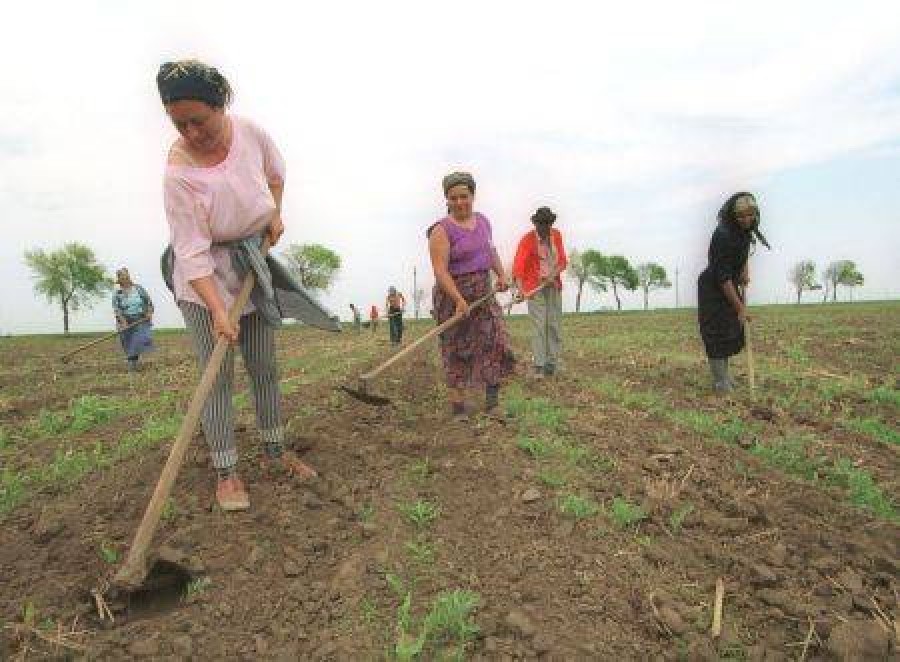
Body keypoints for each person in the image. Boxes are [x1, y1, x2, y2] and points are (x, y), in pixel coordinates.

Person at [158, 59, 316, 512]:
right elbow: (190, 252)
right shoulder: (178, 173)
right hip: (202, 278)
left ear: (219, 106)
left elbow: (276, 174)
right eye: (179, 122)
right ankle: (227, 472)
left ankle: (275, 449)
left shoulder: (249, 133)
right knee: (217, 378)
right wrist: (217, 309)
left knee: (263, 365)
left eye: (199, 120)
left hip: (251, 264)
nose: (191, 131)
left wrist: (275, 214)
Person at [427, 171, 514, 421]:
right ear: (447, 200)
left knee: (496, 340)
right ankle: (458, 409)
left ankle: (492, 404)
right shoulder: (441, 231)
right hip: (452, 295)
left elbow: (490, 250)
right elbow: (440, 271)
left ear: (473, 196)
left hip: (483, 292)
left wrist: (500, 274)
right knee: (457, 348)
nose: (459, 202)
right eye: (453, 198)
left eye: (463, 196)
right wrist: (458, 300)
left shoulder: (483, 221)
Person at [697, 192, 770, 393]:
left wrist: (745, 271)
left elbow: (743, 254)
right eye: (741, 216)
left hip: (730, 284)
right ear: (732, 215)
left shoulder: (745, 231)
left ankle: (725, 378)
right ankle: (720, 382)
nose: (746, 220)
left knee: (729, 332)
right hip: (713, 288)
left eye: (750, 215)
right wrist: (740, 307)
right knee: (715, 334)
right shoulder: (722, 234)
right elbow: (722, 277)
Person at [512, 206, 567, 378]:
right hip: (534, 287)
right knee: (539, 325)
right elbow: (518, 267)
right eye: (541, 224)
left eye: (547, 224)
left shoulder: (556, 235)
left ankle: (553, 363)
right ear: (535, 224)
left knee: (553, 325)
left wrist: (552, 275)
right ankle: (539, 366)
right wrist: (520, 291)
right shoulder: (527, 240)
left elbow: (563, 261)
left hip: (553, 285)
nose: (544, 227)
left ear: (551, 224)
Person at [111, 267, 154, 372]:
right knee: (128, 343)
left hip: (140, 318)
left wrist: (148, 312)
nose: (125, 278)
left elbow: (148, 302)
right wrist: (124, 322)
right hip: (125, 320)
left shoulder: (138, 289)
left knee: (140, 339)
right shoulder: (117, 293)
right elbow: (117, 309)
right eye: (122, 277)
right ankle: (132, 363)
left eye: (126, 276)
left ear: (129, 277)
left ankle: (133, 361)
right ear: (119, 280)